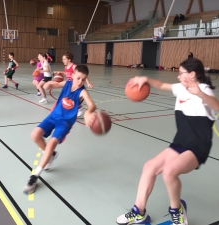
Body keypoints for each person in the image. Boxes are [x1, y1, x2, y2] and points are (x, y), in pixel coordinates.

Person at [116, 58, 219, 225]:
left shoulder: (204, 89)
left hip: (198, 145)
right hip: (181, 142)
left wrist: (199, 93)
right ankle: (139, 211)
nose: (178, 76)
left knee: (170, 172)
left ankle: (177, 210)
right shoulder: (180, 88)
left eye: (181, 73)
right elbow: (162, 85)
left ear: (192, 74)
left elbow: (216, 106)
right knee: (149, 167)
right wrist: (145, 79)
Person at [23, 64, 96, 194]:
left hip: (65, 123)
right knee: (34, 135)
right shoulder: (67, 83)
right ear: (73, 76)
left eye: (83, 79)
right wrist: (48, 84)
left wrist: (88, 112)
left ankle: (35, 176)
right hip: (53, 116)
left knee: (51, 143)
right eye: (78, 78)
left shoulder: (82, 91)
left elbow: (92, 104)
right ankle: (51, 155)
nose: (80, 82)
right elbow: (53, 85)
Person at [46, 52, 94, 117]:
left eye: (64, 59)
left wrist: (88, 82)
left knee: (68, 101)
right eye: (63, 59)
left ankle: (78, 108)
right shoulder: (66, 67)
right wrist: (60, 73)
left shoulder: (74, 66)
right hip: (69, 86)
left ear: (69, 60)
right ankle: (78, 107)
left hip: (76, 86)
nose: (63, 60)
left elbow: (83, 74)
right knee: (68, 101)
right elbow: (67, 73)